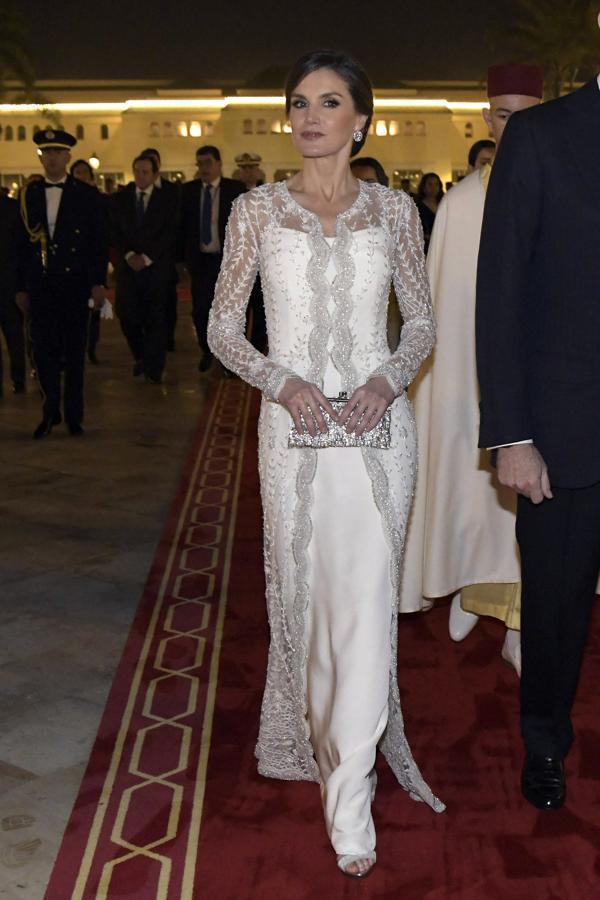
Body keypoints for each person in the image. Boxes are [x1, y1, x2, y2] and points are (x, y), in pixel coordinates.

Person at [207, 49, 444, 880]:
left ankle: (351, 798)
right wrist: (282, 379)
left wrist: (386, 379)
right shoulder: (255, 214)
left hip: (382, 435)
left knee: (370, 604)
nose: (309, 117)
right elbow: (223, 329)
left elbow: (420, 323)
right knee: (311, 602)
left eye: (329, 102)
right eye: (299, 103)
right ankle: (331, 758)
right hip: (295, 434)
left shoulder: (397, 213)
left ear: (361, 120)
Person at [476, 65, 600, 811]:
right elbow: (502, 293)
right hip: (563, 432)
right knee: (555, 608)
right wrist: (512, 433)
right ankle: (546, 738)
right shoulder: (541, 134)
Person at [399, 65, 544, 677]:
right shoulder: (459, 204)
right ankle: (469, 586)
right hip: (469, 378)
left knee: (533, 507)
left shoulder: (559, 185)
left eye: (526, 114)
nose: (515, 127)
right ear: (488, 119)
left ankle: (518, 617)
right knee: (467, 491)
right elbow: (442, 308)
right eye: (504, 115)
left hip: (540, 380)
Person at [15, 128, 108, 438]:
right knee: (43, 352)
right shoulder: (28, 195)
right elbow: (20, 245)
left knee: (74, 352)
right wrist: (20, 287)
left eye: (57, 152)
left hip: (74, 284)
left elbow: (97, 242)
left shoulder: (86, 195)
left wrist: (98, 283)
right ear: (40, 157)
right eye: (47, 153)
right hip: (41, 285)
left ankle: (74, 415)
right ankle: (49, 410)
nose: (52, 158)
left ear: (68, 156)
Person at [110, 154, 178, 384]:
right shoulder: (121, 198)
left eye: (145, 172)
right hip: (128, 270)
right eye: (137, 171)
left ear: (155, 174)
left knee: (155, 319)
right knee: (127, 315)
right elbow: (115, 232)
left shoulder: (166, 200)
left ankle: (154, 367)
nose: (140, 176)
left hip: (156, 269)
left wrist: (148, 258)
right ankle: (140, 355)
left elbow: (170, 233)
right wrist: (128, 256)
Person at [180, 146, 246, 372]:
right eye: (199, 163)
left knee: (230, 312)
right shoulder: (188, 192)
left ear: (219, 164)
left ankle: (230, 359)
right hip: (200, 261)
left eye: (208, 162)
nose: (203, 168)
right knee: (201, 309)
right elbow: (182, 227)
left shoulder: (235, 190)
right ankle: (207, 351)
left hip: (228, 262)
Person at [141, 147, 181, 352]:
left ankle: (167, 337)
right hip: (141, 261)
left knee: (167, 302)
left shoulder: (171, 191)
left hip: (165, 260)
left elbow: (174, 227)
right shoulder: (134, 193)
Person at [70, 158, 104, 365]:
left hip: (89, 267)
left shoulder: (97, 200)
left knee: (93, 313)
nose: (81, 176)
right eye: (77, 173)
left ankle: (91, 347)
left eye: (84, 172)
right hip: (70, 268)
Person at [0, 189, 26, 397]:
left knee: (14, 335)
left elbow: (21, 248)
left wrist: (22, 286)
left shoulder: (12, 208)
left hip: (9, 282)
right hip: (9, 280)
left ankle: (19, 379)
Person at [415, 172, 443, 252]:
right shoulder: (418, 207)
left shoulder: (444, 204)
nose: (433, 188)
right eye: (430, 184)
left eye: (436, 184)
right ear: (423, 187)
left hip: (442, 245)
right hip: (425, 247)